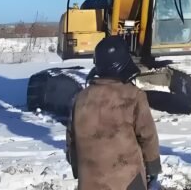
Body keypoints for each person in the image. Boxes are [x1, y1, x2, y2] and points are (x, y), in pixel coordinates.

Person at [66, 36, 161, 190]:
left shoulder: (80, 98)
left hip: (90, 182)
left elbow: (71, 141)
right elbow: (148, 137)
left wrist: (80, 172)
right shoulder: (134, 95)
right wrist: (153, 169)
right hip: (128, 181)